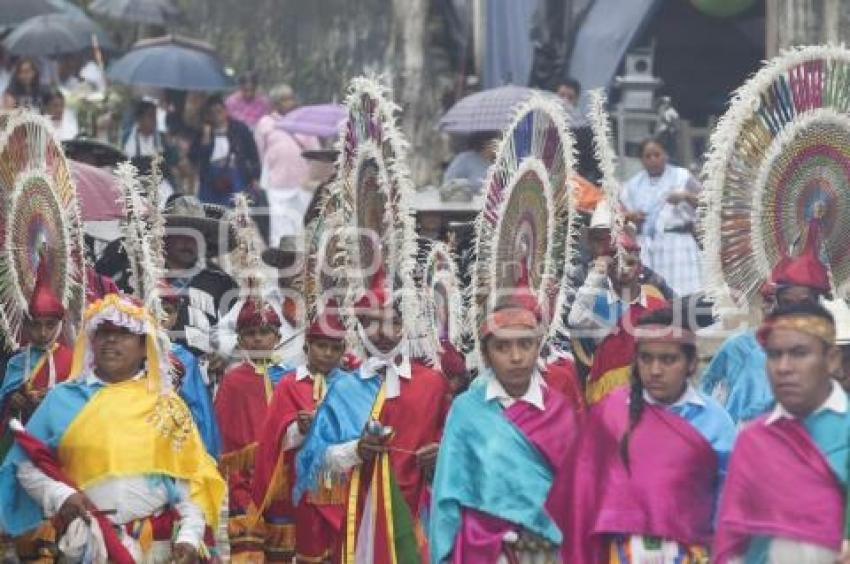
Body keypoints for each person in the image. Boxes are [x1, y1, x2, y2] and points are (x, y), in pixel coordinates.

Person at [0, 294, 225, 562]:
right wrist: (61, 495)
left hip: (154, 549)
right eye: (103, 332)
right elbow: (25, 465)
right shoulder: (62, 398)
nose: (111, 340)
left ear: (145, 346)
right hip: (83, 545)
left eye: (123, 333)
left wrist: (189, 536)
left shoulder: (167, 405)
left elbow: (191, 479)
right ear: (92, 341)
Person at [293, 268, 451, 562]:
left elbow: (455, 445)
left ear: (406, 324)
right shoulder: (344, 387)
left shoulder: (432, 383)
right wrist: (356, 450)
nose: (383, 333)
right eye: (372, 322)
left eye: (393, 321)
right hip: (360, 517)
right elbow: (316, 459)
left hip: (420, 514)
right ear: (360, 327)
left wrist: (441, 455)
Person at [571, 307, 735, 562]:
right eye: (646, 359)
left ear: (691, 363)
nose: (655, 370)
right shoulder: (611, 415)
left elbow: (728, 498)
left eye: (668, 359)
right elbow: (585, 494)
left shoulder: (715, 421)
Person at [429, 290, 582, 563]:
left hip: (547, 549)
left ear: (538, 347)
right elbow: (447, 492)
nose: (516, 357)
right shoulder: (466, 412)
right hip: (482, 551)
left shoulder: (561, 411)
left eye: (525, 344)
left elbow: (579, 493)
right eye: (502, 347)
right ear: (486, 355)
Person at [714, 302, 850, 563]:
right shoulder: (752, 441)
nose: (784, 367)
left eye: (799, 353)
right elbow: (731, 544)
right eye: (774, 355)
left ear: (832, 359)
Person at [252, 304, 351, 562]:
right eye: (321, 346)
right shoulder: (289, 384)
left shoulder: (351, 385)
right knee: (310, 551)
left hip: (344, 483)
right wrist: (299, 428)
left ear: (343, 351)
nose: (327, 354)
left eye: (335, 348)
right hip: (303, 484)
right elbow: (274, 438)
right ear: (307, 347)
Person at [214, 298, 291, 560]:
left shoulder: (292, 378)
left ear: (277, 336)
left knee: (283, 550)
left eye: (264, 332)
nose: (258, 339)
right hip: (245, 480)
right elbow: (222, 431)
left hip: (284, 478)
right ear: (240, 340)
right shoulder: (233, 380)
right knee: (249, 550)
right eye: (250, 333)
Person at [568, 231, 667, 404]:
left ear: (641, 267)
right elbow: (575, 320)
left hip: (654, 393)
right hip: (611, 401)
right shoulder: (600, 303)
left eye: (630, 263)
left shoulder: (655, 298)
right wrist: (596, 273)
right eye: (617, 263)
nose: (624, 269)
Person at [0, 257, 73, 480]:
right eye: (35, 324)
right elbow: (4, 404)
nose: (42, 333)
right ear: (25, 324)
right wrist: (13, 402)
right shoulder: (16, 362)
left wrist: (53, 400)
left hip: (58, 445)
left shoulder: (71, 360)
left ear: (60, 324)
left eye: (50, 325)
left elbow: (79, 405)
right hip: (20, 440)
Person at [620, 138, 703, 297]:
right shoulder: (632, 185)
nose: (653, 160)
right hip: (647, 246)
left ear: (665, 155)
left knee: (685, 295)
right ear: (641, 160)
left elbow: (707, 203)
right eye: (648, 156)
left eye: (657, 155)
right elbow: (619, 217)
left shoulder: (682, 176)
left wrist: (686, 196)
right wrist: (631, 217)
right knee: (656, 295)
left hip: (678, 245)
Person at [162, 195, 239, 356]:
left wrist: (225, 355)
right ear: (165, 236)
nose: (188, 242)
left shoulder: (222, 285)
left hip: (202, 376)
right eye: (182, 234)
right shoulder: (142, 279)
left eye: (196, 236)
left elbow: (239, 332)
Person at [160, 282, 221, 459]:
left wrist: (208, 454)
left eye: (168, 310)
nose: (161, 316)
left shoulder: (184, 357)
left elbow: (200, 409)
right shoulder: (129, 354)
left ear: (176, 315)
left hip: (175, 441)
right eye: (155, 309)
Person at [190, 95, 261, 206]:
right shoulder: (203, 132)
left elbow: (252, 153)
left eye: (219, 111)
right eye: (212, 113)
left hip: (235, 175)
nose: (217, 115)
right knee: (210, 213)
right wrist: (206, 138)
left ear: (225, 111)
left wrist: (255, 177)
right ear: (208, 115)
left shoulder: (239, 129)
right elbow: (195, 157)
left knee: (234, 213)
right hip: (210, 179)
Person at [254, 83, 320, 192]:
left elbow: (316, 152)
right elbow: (261, 152)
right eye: (285, 100)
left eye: (291, 98)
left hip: (303, 183)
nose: (291, 103)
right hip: (276, 183)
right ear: (275, 104)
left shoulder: (305, 122)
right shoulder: (265, 123)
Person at [123, 99, 179, 194]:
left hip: (160, 185)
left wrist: (171, 146)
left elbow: (173, 161)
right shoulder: (127, 137)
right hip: (136, 183)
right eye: (150, 116)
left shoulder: (161, 138)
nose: (154, 121)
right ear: (139, 119)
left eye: (155, 116)